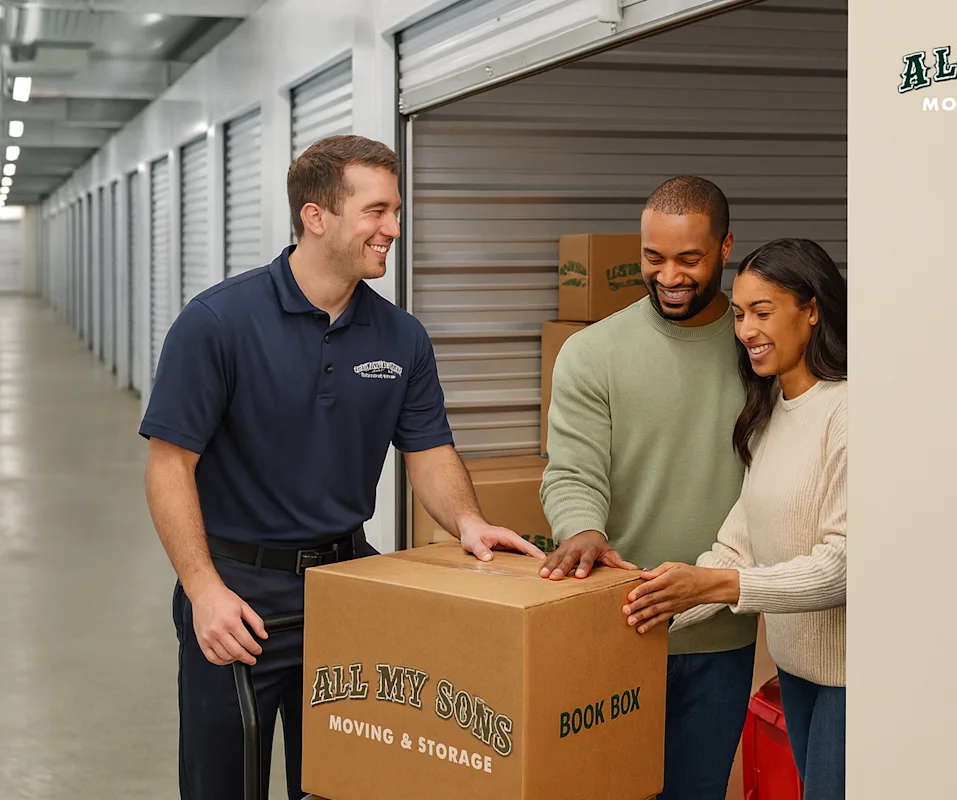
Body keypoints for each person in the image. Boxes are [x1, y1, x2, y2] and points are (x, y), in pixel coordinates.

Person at [139, 134, 543, 800]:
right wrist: (202, 589)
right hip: (238, 595)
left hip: (349, 587)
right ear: (316, 216)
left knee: (346, 785)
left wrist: (468, 521)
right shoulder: (216, 322)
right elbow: (168, 466)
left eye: (396, 211)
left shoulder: (400, 337)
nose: (393, 229)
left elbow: (428, 448)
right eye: (377, 211)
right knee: (223, 787)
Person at [538, 176, 760, 799]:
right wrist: (581, 529)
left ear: (725, 248)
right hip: (620, 625)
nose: (669, 275)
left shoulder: (758, 354)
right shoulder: (592, 353)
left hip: (721, 630)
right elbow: (573, 470)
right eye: (652, 257)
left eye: (689, 258)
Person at [621, 237, 848, 799]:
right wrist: (650, 605)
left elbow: (843, 565)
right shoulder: (769, 414)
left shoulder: (849, 412)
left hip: (852, 678)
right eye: (741, 314)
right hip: (798, 670)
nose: (746, 330)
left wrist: (717, 585)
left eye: (763, 312)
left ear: (813, 309)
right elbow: (736, 546)